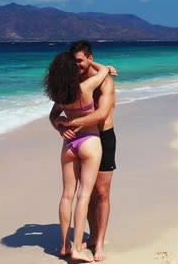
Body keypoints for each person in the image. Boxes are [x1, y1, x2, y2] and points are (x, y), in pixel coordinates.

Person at [44, 51, 112, 262]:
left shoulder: (59, 95)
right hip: (89, 142)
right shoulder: (85, 88)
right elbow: (102, 72)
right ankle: (76, 249)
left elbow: (54, 115)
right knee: (84, 195)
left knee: (66, 195)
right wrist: (106, 67)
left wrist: (61, 125)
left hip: (69, 144)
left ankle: (64, 246)